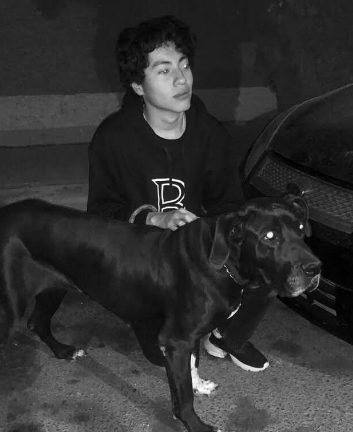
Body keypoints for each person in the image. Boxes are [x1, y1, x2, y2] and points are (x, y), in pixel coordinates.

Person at [87, 14, 270, 372]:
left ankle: (225, 337)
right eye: (164, 70)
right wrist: (153, 217)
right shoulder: (113, 139)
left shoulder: (210, 134)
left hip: (197, 249)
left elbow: (228, 203)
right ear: (138, 86)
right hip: (144, 261)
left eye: (184, 65)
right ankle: (171, 319)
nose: (181, 79)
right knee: (166, 354)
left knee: (270, 259)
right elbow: (100, 213)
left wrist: (207, 229)